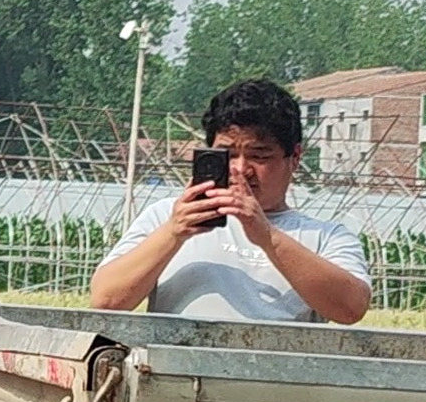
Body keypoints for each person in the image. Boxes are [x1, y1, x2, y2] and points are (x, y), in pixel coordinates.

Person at [89, 77, 371, 327]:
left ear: (294, 157)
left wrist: (266, 236)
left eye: (259, 156)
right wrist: (174, 233)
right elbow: (106, 301)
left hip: (278, 385)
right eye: (227, 154)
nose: (241, 169)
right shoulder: (166, 216)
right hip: (174, 382)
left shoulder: (325, 237)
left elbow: (351, 308)